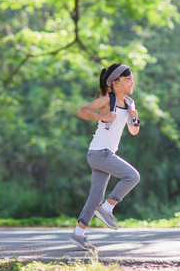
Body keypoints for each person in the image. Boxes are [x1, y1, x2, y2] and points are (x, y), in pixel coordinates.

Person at [70, 63, 141, 251]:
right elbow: (82, 111)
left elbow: (134, 131)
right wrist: (102, 117)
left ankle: (78, 234)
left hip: (106, 154)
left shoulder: (129, 103)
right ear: (115, 82)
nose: (132, 82)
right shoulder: (106, 101)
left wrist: (134, 117)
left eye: (132, 78)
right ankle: (107, 208)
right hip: (98, 153)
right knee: (132, 176)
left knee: (95, 197)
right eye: (128, 79)